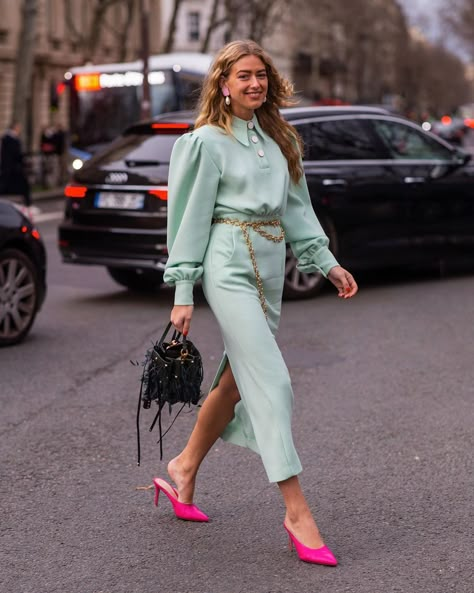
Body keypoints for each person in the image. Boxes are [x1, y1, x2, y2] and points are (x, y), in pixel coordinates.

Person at [156, 40, 358, 566]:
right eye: (243, 75)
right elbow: (188, 220)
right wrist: (183, 291)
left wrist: (326, 262)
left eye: (261, 75)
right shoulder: (206, 142)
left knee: (234, 382)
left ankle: (183, 468)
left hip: (270, 266)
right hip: (226, 262)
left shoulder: (282, 137)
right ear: (223, 83)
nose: (254, 84)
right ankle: (297, 511)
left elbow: (298, 211)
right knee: (271, 380)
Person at [0, 122, 32, 208]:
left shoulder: (8, 138)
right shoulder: (10, 139)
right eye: (18, 127)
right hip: (13, 167)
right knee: (23, 185)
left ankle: (27, 203)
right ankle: (27, 204)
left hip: (10, 167)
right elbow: (15, 154)